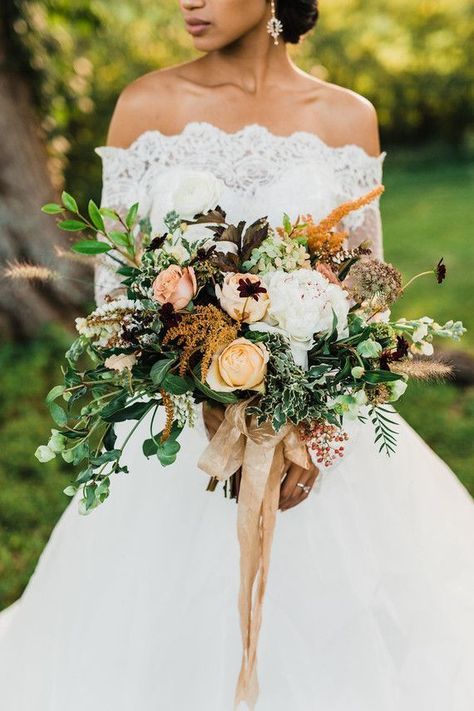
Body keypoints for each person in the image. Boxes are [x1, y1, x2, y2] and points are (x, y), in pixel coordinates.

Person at [1, 1, 473, 709]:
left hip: (314, 445)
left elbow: (363, 300)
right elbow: (116, 296)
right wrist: (205, 390)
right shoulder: (146, 107)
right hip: (178, 442)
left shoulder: (347, 117)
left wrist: (308, 427)